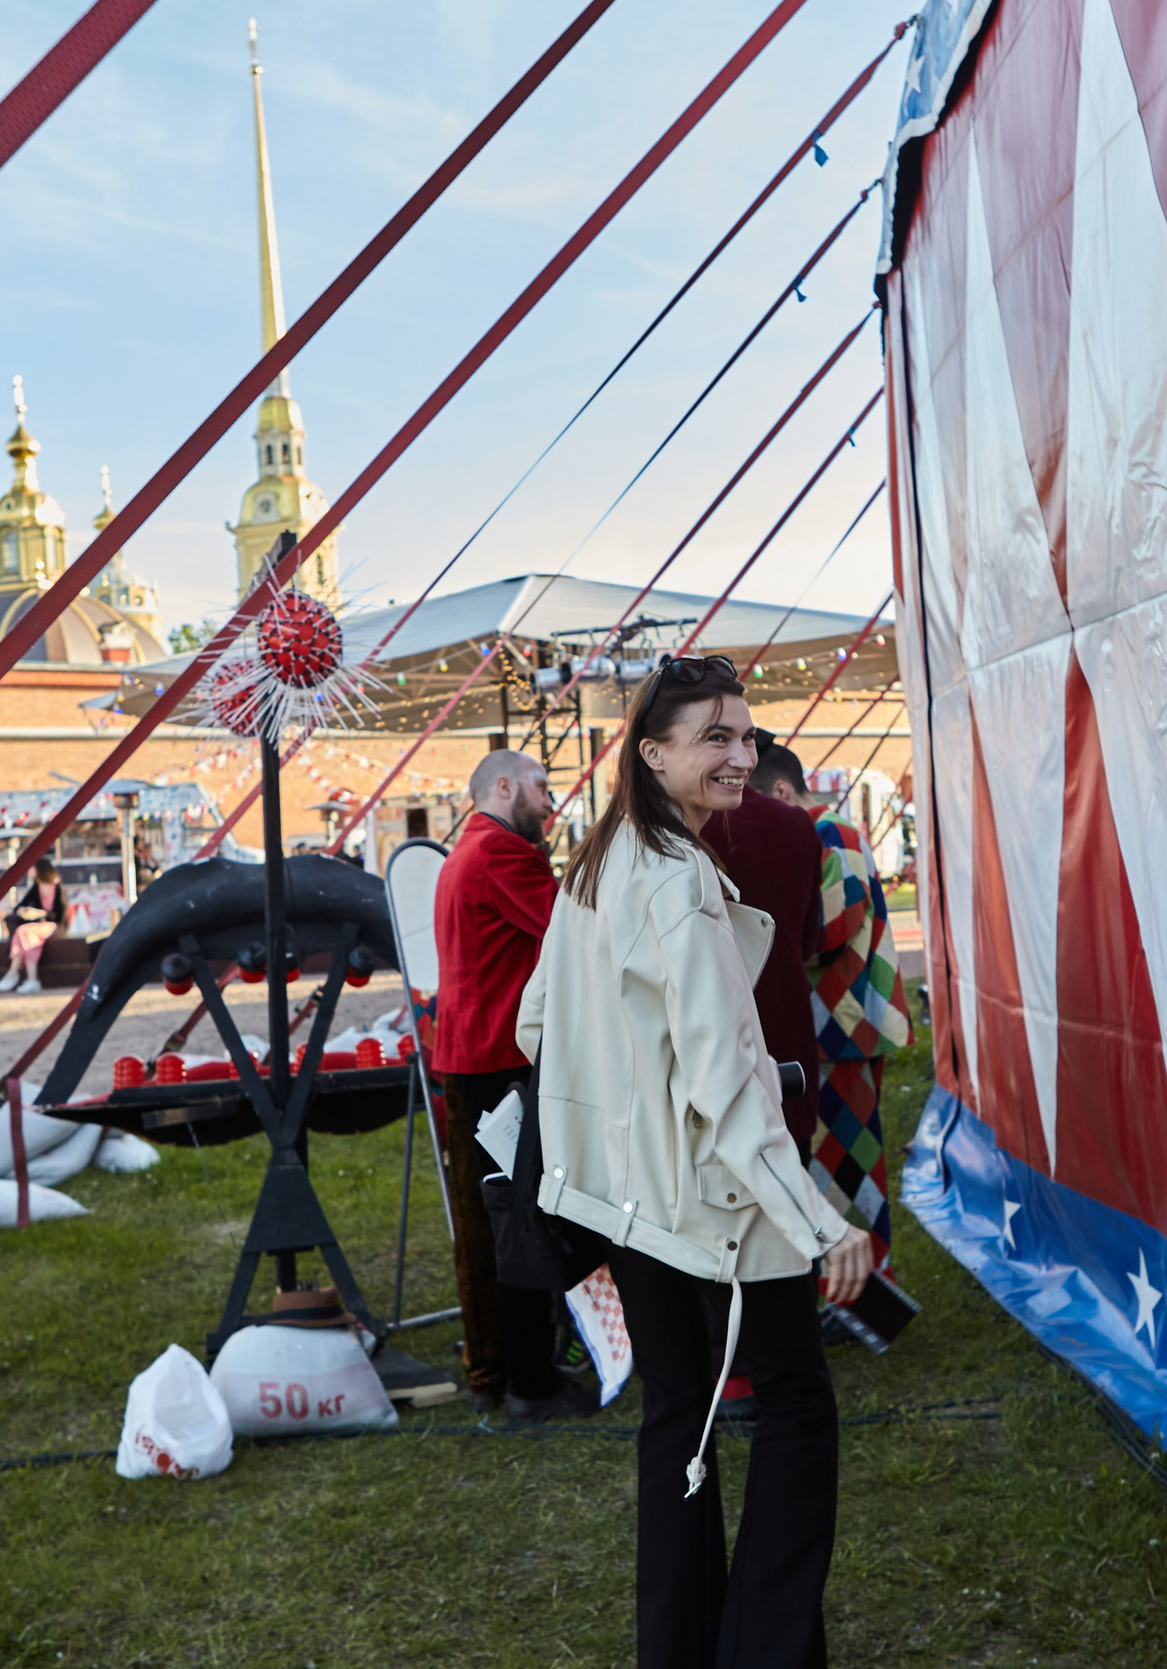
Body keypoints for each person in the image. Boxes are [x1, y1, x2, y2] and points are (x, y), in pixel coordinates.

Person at [518, 654, 872, 1669]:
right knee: (795, 1407)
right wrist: (820, 1222)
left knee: (678, 1421)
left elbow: (536, 1024)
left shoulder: (597, 859)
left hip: (635, 1196)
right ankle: (764, 1651)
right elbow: (724, 1084)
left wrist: (628, 1115)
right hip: (714, 1194)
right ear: (653, 751)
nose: (738, 755)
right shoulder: (673, 881)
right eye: (714, 736)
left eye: (746, 735)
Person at [430, 747, 592, 1421]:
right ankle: (530, 1379)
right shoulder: (502, 852)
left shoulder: (470, 847)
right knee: (520, 1217)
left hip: (471, 1055)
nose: (549, 801)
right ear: (503, 785)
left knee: (491, 1218)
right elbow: (577, 933)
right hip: (497, 1059)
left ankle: (501, 1367)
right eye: (540, 785)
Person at [756, 746, 915, 1279]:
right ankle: (844, 1286)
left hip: (847, 1026)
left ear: (780, 791)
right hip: (830, 1028)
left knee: (851, 1165)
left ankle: (865, 1290)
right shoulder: (823, 832)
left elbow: (834, 926)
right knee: (831, 1161)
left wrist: (765, 941)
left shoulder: (833, 834)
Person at [697, 732, 825, 1152]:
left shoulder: (678, 829)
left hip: (712, 1039)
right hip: (787, 1025)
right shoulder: (794, 823)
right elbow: (809, 938)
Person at [0, 859, 67, 995]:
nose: (29, 871)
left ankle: (14, 973)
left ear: (39, 869)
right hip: (38, 928)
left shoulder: (56, 886)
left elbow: (61, 914)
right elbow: (21, 905)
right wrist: (25, 911)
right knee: (25, 934)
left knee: (23, 931)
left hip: (54, 926)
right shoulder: (37, 886)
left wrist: (39, 913)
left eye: (31, 868)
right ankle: (31, 978)